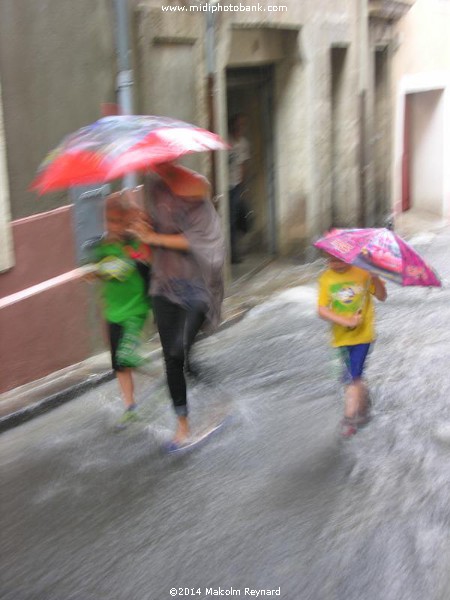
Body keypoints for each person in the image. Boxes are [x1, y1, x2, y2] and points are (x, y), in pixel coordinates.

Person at [130, 162, 225, 447]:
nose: (155, 166)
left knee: (179, 348)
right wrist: (143, 224)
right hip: (164, 282)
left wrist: (153, 236)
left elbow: (199, 240)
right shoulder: (153, 184)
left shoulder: (197, 187)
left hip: (197, 284)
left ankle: (197, 380)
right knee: (171, 356)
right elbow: (157, 226)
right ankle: (182, 423)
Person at [86, 192, 152, 428]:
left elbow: (147, 256)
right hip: (113, 311)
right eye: (110, 221)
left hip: (135, 308)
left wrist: (137, 224)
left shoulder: (134, 243)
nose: (113, 226)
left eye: (118, 221)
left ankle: (146, 365)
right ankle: (130, 406)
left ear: (126, 222)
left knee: (125, 356)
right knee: (119, 364)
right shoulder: (102, 248)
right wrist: (92, 273)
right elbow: (94, 272)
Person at [317, 253, 387, 437]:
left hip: (363, 336)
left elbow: (382, 296)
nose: (335, 264)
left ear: (349, 257)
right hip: (341, 337)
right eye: (330, 260)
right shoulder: (326, 278)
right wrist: (344, 321)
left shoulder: (363, 273)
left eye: (339, 260)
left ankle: (349, 419)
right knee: (353, 375)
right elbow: (322, 310)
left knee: (351, 377)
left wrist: (375, 277)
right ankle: (364, 407)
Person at [228, 113, 251, 264]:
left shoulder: (243, 143)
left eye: (243, 124)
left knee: (235, 220)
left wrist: (242, 187)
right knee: (228, 220)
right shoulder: (226, 141)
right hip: (224, 186)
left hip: (235, 185)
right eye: (239, 124)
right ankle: (231, 254)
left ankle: (234, 253)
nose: (241, 127)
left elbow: (242, 165)